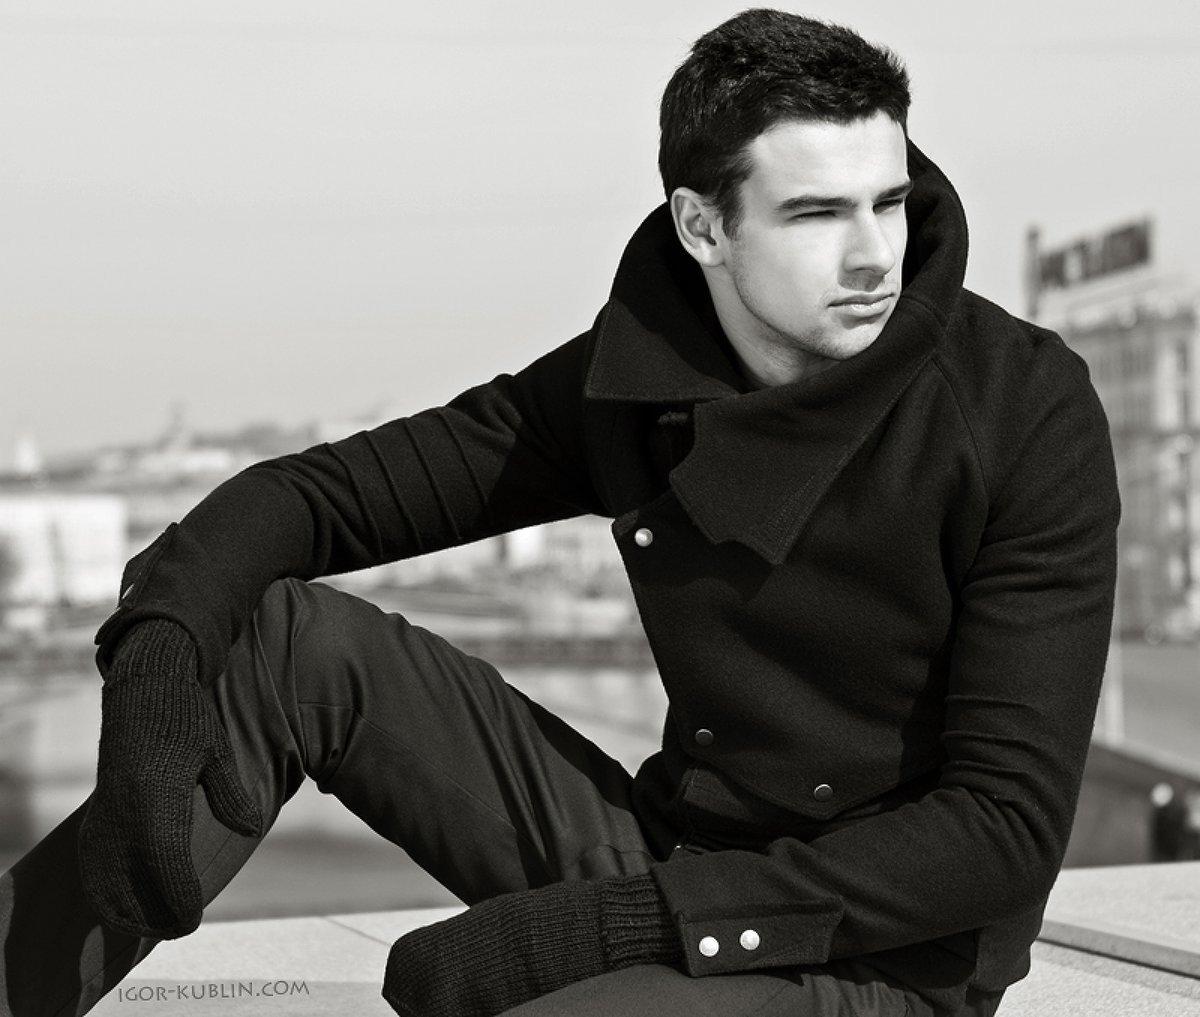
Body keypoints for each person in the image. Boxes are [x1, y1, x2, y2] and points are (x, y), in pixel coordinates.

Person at [0, 9, 1120, 1017]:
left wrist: (607, 928)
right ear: (703, 227)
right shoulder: (637, 383)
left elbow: (1005, 831)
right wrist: (157, 658)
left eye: (889, 200)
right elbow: (316, 497)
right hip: (669, 856)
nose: (876, 253)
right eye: (817, 212)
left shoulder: (1021, 406)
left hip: (882, 956)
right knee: (287, 640)